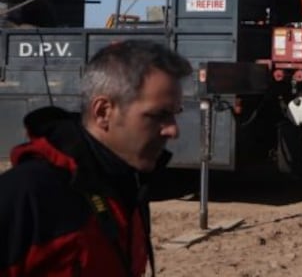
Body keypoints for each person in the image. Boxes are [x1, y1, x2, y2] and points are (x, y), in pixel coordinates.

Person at [0, 40, 192, 276]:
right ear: (103, 112)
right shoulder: (25, 195)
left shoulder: (130, 184)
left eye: (174, 114)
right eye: (159, 115)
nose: (173, 130)